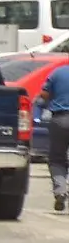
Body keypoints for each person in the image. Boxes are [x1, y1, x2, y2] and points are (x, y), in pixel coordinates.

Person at [34, 62, 69, 211]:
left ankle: (60, 191)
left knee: (57, 159)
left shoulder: (58, 73)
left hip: (60, 119)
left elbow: (44, 95)